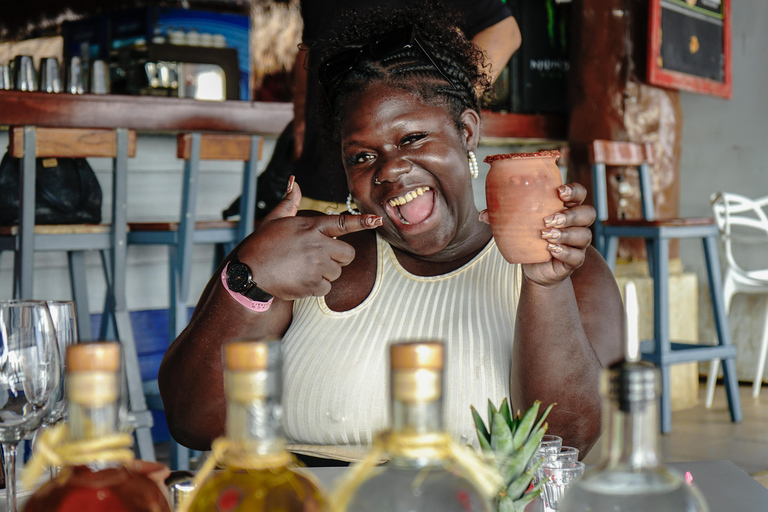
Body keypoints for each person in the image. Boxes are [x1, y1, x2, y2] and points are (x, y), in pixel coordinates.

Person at [159, 4, 624, 463]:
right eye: (361, 157)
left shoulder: (566, 269)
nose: (391, 170)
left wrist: (547, 285)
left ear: (466, 131)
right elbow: (193, 424)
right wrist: (246, 280)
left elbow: (562, 444)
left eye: (412, 139)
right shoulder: (312, 261)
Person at [289, 0, 521, 214]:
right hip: (321, 171)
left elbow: (503, 31)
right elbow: (311, 47)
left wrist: (448, 102)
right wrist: (300, 119)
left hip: (407, 188)